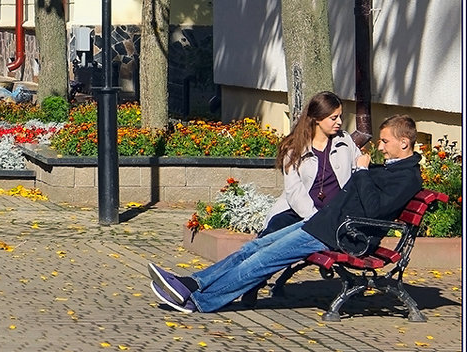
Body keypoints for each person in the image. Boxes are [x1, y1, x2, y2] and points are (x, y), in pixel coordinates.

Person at [147, 115, 423, 314]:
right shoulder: (393, 168)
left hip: (340, 235)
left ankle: (201, 301)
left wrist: (362, 171)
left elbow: (376, 209)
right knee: (253, 248)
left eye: (385, 141)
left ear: (404, 142)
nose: (380, 146)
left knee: (261, 262)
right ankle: (192, 283)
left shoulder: (407, 177)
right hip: (325, 223)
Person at [259, 91, 358, 236]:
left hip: (334, 216)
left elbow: (360, 170)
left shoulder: (345, 141)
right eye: (334, 118)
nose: (340, 122)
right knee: (271, 235)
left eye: (340, 117)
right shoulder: (294, 148)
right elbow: (294, 191)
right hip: (298, 213)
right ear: (317, 118)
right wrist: (314, 218)